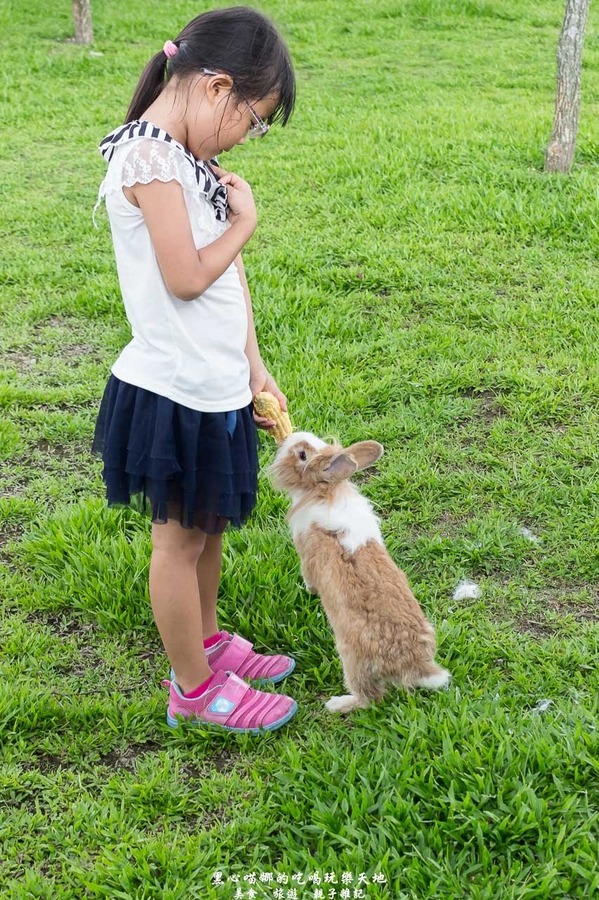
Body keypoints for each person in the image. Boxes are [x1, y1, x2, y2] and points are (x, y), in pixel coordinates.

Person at [92, 7, 298, 733]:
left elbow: (226, 282)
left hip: (212, 380)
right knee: (177, 543)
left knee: (206, 528)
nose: (251, 135)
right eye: (255, 118)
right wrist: (245, 222)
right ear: (215, 88)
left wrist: (252, 366)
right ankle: (192, 688)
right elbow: (185, 277)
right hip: (171, 389)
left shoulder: (190, 160)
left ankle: (207, 645)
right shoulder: (147, 159)